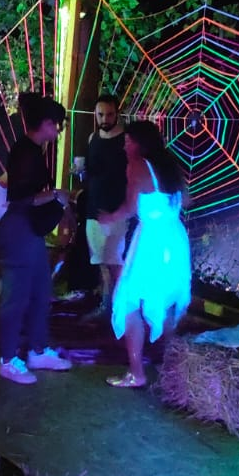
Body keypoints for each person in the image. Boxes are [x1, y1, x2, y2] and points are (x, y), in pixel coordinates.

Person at [98, 120, 191, 388]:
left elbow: (129, 208)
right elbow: (187, 201)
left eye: (128, 141)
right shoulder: (170, 166)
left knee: (128, 300)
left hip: (151, 240)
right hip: (175, 239)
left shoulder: (138, 166)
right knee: (166, 302)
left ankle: (137, 373)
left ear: (140, 143)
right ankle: (173, 373)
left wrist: (108, 217)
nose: (124, 146)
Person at [0, 93, 73, 384]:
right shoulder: (25, 152)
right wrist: (56, 195)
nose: (59, 131)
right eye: (58, 125)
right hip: (20, 230)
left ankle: (37, 349)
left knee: (41, 290)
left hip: (31, 231)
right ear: (47, 123)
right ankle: (8, 358)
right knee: (15, 297)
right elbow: (20, 198)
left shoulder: (32, 150)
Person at [81, 94, 128, 316]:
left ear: (117, 114)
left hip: (117, 210)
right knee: (100, 261)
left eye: (109, 114)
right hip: (94, 208)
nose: (105, 119)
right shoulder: (93, 138)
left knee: (115, 262)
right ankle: (105, 305)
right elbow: (91, 172)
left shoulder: (126, 141)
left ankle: (118, 309)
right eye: (100, 115)